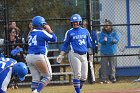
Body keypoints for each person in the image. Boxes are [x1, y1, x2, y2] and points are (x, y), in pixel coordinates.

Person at [57, 14, 92, 93]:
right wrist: (61, 55)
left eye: (76, 22)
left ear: (79, 22)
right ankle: (78, 91)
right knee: (78, 74)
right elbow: (65, 44)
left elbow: (89, 44)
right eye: (73, 22)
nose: (75, 23)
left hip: (84, 55)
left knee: (84, 77)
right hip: (74, 54)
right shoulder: (69, 32)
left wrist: (91, 54)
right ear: (71, 23)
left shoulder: (85, 31)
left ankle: (77, 90)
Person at [25, 16, 57, 93]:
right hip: (39, 56)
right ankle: (37, 91)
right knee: (48, 76)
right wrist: (50, 30)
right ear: (41, 23)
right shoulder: (42, 32)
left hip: (29, 56)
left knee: (35, 78)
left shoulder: (31, 33)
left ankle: (34, 91)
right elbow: (54, 39)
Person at [99, 19, 119, 84]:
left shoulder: (114, 32)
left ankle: (113, 78)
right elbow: (100, 41)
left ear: (110, 25)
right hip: (104, 52)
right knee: (104, 66)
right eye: (105, 25)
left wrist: (114, 40)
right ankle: (104, 78)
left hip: (112, 51)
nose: (106, 26)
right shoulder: (102, 33)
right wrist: (104, 41)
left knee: (112, 65)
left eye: (107, 25)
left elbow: (117, 39)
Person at [83, 20, 98, 84]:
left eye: (86, 25)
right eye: (84, 25)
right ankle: (84, 79)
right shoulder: (82, 32)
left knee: (90, 64)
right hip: (83, 50)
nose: (84, 26)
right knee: (83, 64)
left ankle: (93, 79)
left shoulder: (92, 32)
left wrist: (94, 49)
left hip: (89, 50)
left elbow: (95, 41)